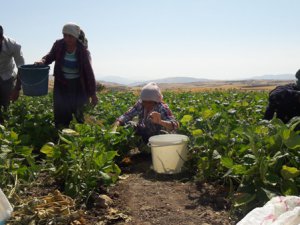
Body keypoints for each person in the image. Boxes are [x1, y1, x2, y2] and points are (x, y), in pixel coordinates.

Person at [35, 22, 98, 128]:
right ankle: (61, 131)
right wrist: (43, 61)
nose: (67, 38)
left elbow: (89, 73)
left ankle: (81, 134)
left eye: (70, 36)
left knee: (80, 111)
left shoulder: (82, 50)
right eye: (65, 35)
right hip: (61, 82)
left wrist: (93, 94)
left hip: (78, 84)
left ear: (76, 36)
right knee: (61, 110)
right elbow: (50, 56)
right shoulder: (59, 45)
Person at [113, 82, 179, 144]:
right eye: (144, 102)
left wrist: (160, 122)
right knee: (128, 125)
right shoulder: (140, 104)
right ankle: (137, 145)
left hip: (157, 137)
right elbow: (127, 115)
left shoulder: (162, 108)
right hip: (144, 132)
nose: (147, 104)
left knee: (163, 133)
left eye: (150, 102)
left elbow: (175, 125)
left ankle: (152, 150)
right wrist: (118, 122)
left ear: (156, 101)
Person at [0, 25, 25, 123]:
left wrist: (17, 89)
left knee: (6, 107)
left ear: (1, 38)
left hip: (7, 76)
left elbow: (21, 67)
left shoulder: (13, 45)